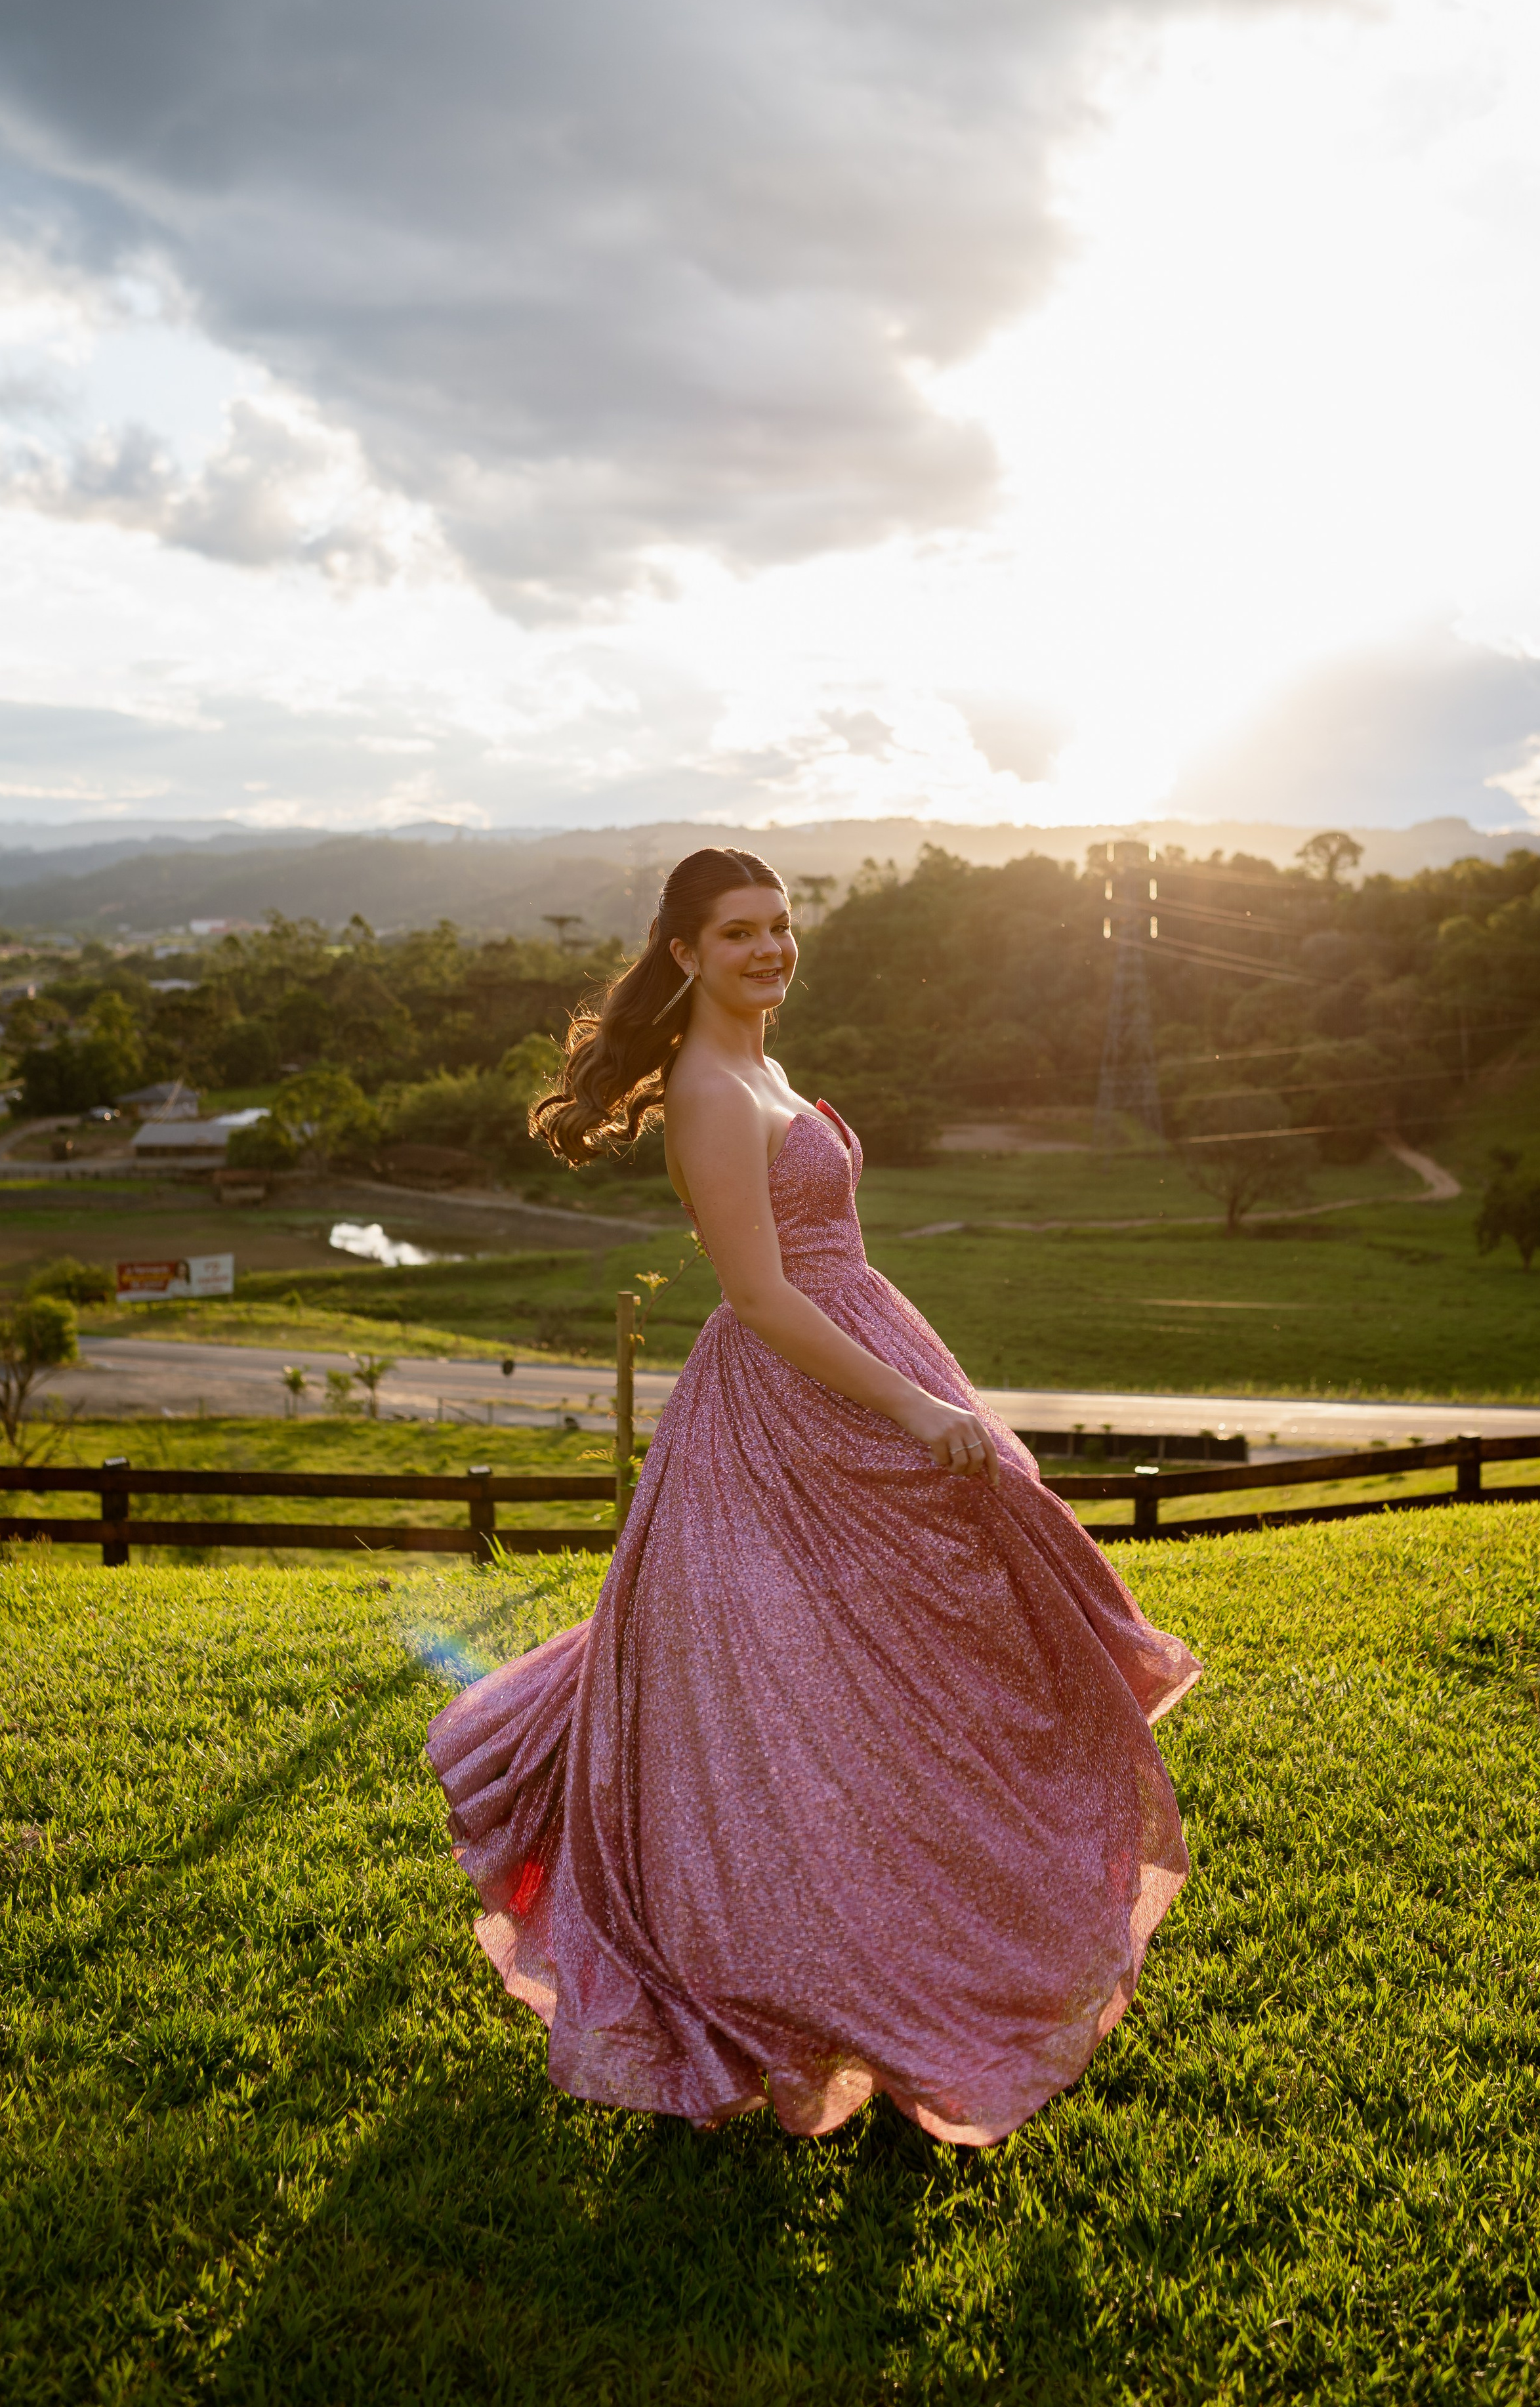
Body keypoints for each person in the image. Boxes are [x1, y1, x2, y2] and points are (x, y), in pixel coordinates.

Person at [427, 846, 1201, 2146]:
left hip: (864, 1360)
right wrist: (909, 1407)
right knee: (795, 1702)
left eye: (781, 927)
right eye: (738, 933)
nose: (768, 950)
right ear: (682, 952)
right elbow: (758, 1295)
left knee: (920, 1674)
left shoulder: (766, 1067)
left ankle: (936, 1950)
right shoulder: (708, 1092)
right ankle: (784, 1989)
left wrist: (911, 1384)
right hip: (783, 1415)